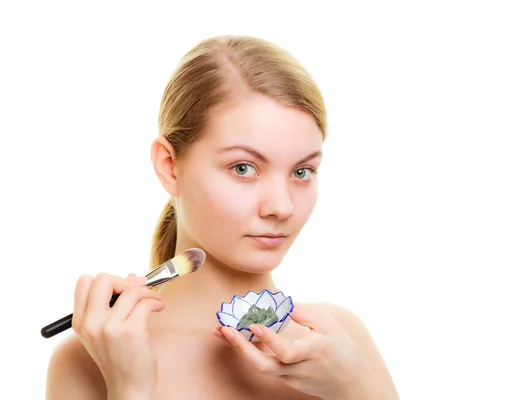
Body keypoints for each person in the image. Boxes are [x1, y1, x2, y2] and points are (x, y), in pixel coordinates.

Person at [45, 34, 399, 400]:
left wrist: (355, 388)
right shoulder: (90, 358)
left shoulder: (339, 340)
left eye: (302, 171)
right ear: (169, 166)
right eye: (243, 168)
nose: (282, 206)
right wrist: (130, 387)